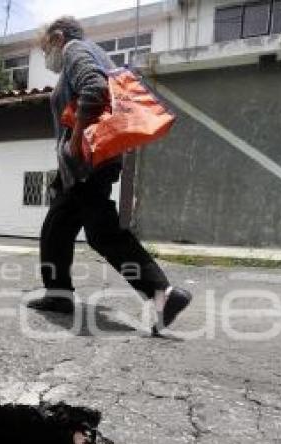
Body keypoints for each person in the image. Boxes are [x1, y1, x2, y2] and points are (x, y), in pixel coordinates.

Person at [27, 16, 191, 333]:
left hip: (88, 160)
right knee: (56, 229)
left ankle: (162, 293)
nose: (47, 55)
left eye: (46, 47)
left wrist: (75, 141)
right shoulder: (92, 51)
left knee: (103, 233)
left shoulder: (75, 50)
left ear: (58, 37)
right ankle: (59, 294)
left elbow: (95, 87)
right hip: (83, 164)